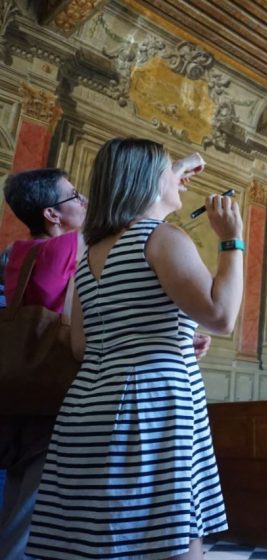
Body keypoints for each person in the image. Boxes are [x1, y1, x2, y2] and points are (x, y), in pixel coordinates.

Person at [26, 138, 243, 560]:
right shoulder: (163, 239)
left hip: (89, 407)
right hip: (155, 407)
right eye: (169, 170)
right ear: (147, 180)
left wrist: (170, 337)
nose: (178, 179)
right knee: (173, 536)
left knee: (103, 539)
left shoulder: (89, 255)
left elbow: (81, 345)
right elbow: (221, 314)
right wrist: (232, 240)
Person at [0, 168, 87, 560]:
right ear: (52, 214)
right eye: (74, 196)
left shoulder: (13, 253)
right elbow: (123, 219)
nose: (83, 202)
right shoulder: (69, 246)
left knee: (18, 492)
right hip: (53, 387)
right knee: (33, 508)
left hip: (17, 385)